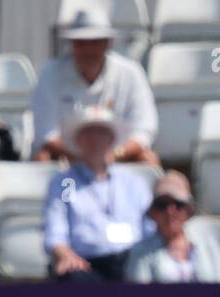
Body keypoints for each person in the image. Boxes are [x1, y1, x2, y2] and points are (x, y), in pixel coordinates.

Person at [31, 7, 158, 167]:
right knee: (42, 158)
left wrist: (113, 154)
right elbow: (47, 134)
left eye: (96, 42)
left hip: (118, 157)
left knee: (148, 159)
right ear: (72, 44)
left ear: (107, 43)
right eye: (81, 43)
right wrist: (86, 157)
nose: (89, 50)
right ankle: (58, 192)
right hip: (66, 159)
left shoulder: (131, 73)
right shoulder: (50, 73)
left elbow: (143, 130)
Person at [43, 106, 154, 282]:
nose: (95, 139)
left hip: (131, 260)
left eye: (101, 132)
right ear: (78, 140)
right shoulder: (66, 183)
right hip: (86, 264)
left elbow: (150, 227)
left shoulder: (133, 182)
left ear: (112, 139)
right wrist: (65, 254)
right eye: (88, 133)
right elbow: (56, 229)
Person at [126, 171, 220, 283]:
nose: (170, 211)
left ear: (188, 210)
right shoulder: (140, 253)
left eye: (178, 204)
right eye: (162, 205)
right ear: (153, 212)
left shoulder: (210, 247)